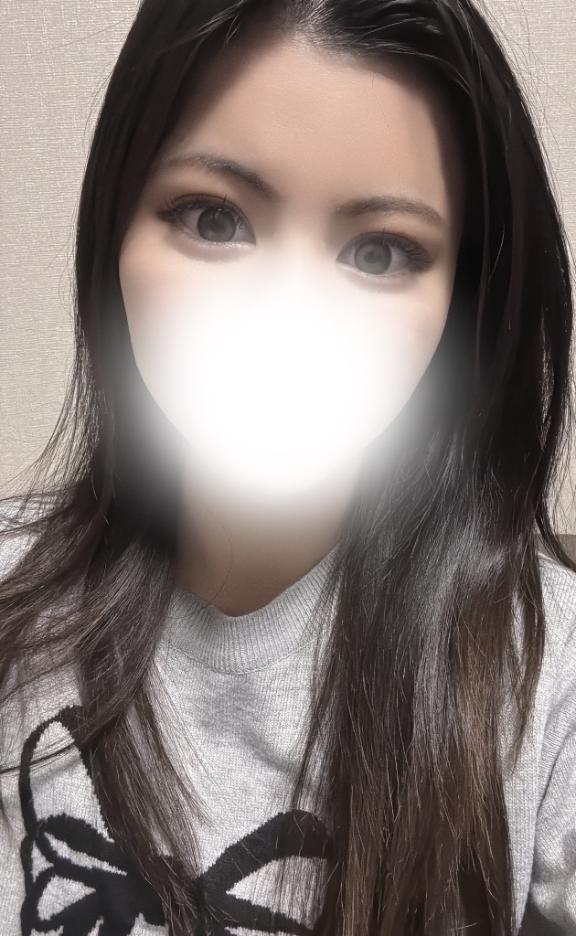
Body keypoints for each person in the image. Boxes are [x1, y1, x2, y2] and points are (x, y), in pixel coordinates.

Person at [0, 1, 575, 933]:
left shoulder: (547, 666)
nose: (286, 319)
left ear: (460, 312)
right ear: (114, 236)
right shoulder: (11, 598)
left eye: (380, 251)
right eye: (214, 218)